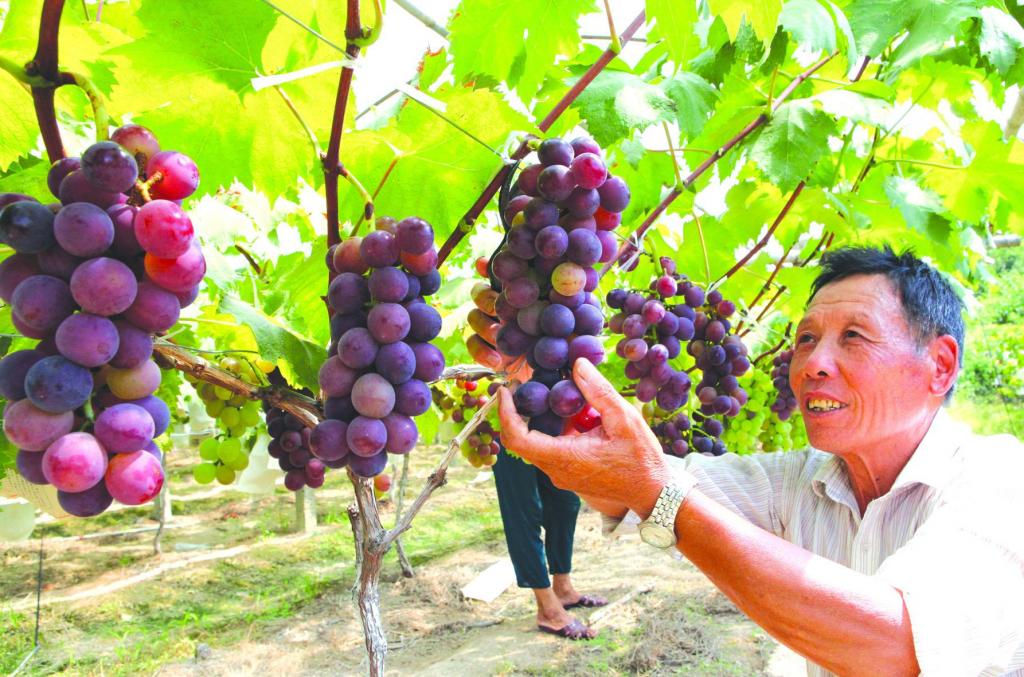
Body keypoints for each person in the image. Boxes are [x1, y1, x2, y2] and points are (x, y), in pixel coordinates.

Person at [496, 246, 1024, 675]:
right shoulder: (802, 480)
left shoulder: (998, 482)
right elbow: (639, 487)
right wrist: (563, 402)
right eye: (807, 339)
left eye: (854, 337)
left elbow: (896, 646)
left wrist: (655, 492)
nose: (813, 364)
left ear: (939, 365)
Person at [468, 270, 607, 640]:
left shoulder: (561, 288)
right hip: (511, 414)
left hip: (555, 410)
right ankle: (546, 605)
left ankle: (563, 585)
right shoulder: (506, 293)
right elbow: (494, 350)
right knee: (523, 510)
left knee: (565, 501)